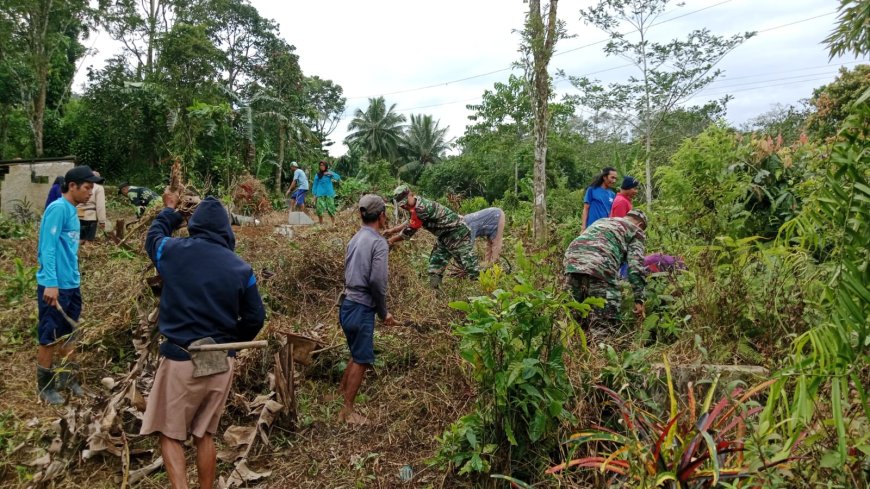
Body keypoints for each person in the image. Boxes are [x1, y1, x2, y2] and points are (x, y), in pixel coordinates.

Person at [140, 193, 265, 489]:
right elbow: (255, 318)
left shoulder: (174, 251)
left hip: (181, 357)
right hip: (220, 361)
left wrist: (169, 212)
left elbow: (153, 239)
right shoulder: (241, 268)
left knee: (171, 434)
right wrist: (231, 342)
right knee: (203, 434)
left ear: (195, 225)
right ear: (227, 230)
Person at [35, 166, 104, 405]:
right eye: (87, 188)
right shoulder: (58, 209)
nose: (90, 193)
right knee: (49, 334)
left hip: (71, 284)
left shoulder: (74, 211)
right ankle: (45, 386)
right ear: (72, 186)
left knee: (69, 332)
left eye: (92, 189)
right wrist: (51, 283)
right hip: (55, 286)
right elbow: (48, 247)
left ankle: (68, 379)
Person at [338, 194, 396, 425]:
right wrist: (384, 312)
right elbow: (377, 283)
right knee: (362, 359)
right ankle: (347, 411)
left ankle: (340, 397)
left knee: (355, 353)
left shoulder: (356, 238)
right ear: (381, 216)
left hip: (347, 305)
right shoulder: (378, 243)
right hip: (362, 307)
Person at [564, 210, 648, 335]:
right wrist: (639, 299)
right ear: (640, 225)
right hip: (600, 267)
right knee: (604, 327)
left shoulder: (603, 221)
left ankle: (574, 351)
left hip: (572, 264)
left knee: (573, 322)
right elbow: (635, 268)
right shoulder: (636, 231)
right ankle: (600, 350)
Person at [384, 185, 479, 289]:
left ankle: (485, 293)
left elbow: (408, 232)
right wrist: (393, 230)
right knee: (435, 266)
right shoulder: (415, 205)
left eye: (405, 202)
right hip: (444, 237)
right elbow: (410, 221)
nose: (404, 206)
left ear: (411, 195)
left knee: (471, 267)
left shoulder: (421, 209)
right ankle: (436, 296)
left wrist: (391, 241)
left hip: (457, 233)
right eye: (401, 205)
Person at [581, 167, 618, 232]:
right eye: (612, 177)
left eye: (615, 178)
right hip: (592, 228)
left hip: (605, 230)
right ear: (604, 177)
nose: (614, 181)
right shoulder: (592, 190)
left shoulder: (612, 194)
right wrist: (583, 228)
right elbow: (586, 209)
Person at [77, 171, 106, 243]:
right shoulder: (99, 188)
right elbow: (100, 205)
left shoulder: (81, 185)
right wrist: (102, 220)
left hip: (78, 214)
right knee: (88, 241)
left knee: (79, 239)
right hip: (90, 216)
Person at [312, 160, 341, 225]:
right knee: (319, 210)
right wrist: (314, 195)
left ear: (326, 166)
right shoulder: (317, 175)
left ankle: (333, 223)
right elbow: (315, 185)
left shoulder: (329, 173)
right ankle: (321, 224)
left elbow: (338, 177)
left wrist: (330, 173)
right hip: (320, 194)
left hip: (329, 194)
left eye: (323, 165)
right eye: (320, 165)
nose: (322, 166)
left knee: (331, 209)